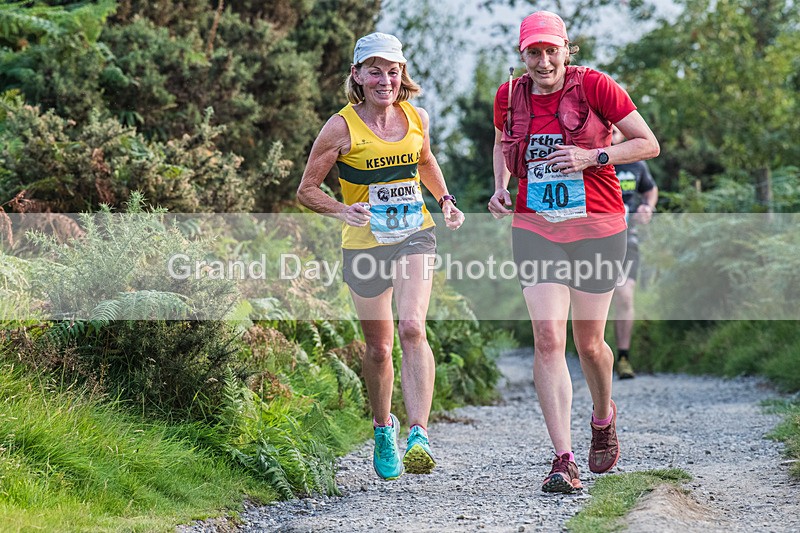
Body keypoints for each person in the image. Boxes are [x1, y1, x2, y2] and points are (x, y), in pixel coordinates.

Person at [487, 11, 659, 493]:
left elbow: (648, 144)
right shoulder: (508, 96)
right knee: (546, 338)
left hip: (597, 226)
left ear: (567, 49)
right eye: (533, 52)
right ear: (522, 54)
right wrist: (501, 188)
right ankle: (563, 459)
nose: (543, 61)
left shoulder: (597, 87)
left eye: (551, 50)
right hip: (535, 226)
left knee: (589, 344)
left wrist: (592, 156)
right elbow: (502, 143)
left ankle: (602, 418)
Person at [297, 32, 464, 481]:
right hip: (365, 245)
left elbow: (424, 160)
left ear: (401, 74)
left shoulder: (416, 117)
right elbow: (306, 190)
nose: (385, 79)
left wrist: (445, 199)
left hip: (415, 235)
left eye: (393, 71)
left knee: (413, 326)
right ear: (357, 75)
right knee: (379, 348)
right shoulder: (340, 127)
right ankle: (382, 427)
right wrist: (342, 209)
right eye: (375, 71)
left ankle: (419, 435)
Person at [611, 125, 659, 379]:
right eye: (606, 130)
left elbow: (650, 189)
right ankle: (588, 353)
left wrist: (647, 208)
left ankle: (623, 358)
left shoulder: (636, 165)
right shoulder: (588, 161)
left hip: (628, 240)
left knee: (624, 295)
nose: (611, 135)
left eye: (616, 131)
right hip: (593, 242)